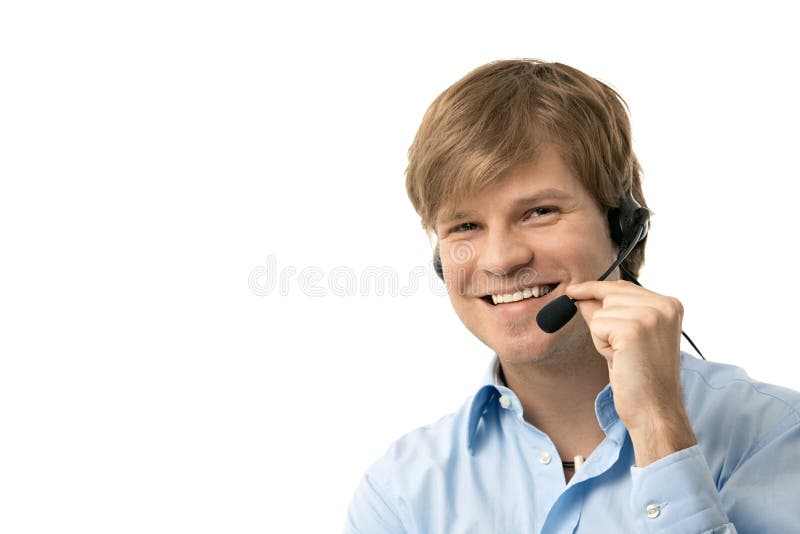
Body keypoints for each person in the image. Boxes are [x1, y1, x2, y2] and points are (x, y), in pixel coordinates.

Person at [343, 59, 800, 533]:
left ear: (623, 226)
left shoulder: (774, 435)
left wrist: (659, 430)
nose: (500, 259)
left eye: (539, 212)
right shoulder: (402, 491)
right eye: (466, 226)